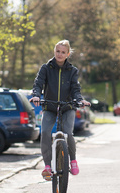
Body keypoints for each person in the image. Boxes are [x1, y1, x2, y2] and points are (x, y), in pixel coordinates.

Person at [30, 40, 91, 181]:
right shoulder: (46, 68)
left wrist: (79, 99)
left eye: (63, 52)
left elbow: (75, 89)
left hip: (67, 106)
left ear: (67, 54)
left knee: (68, 133)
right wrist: (36, 96)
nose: (60, 54)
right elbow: (38, 83)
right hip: (50, 106)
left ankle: (73, 161)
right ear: (54, 51)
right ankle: (47, 166)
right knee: (45, 132)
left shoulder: (72, 70)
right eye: (58, 51)